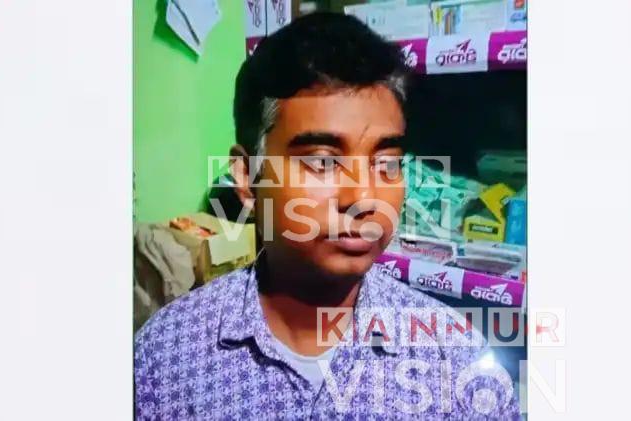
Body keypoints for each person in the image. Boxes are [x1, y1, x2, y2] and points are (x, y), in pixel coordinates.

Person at [134, 12, 519, 420]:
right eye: (322, 161)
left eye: (386, 163)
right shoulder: (165, 361)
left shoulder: (455, 359)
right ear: (246, 177)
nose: (363, 197)